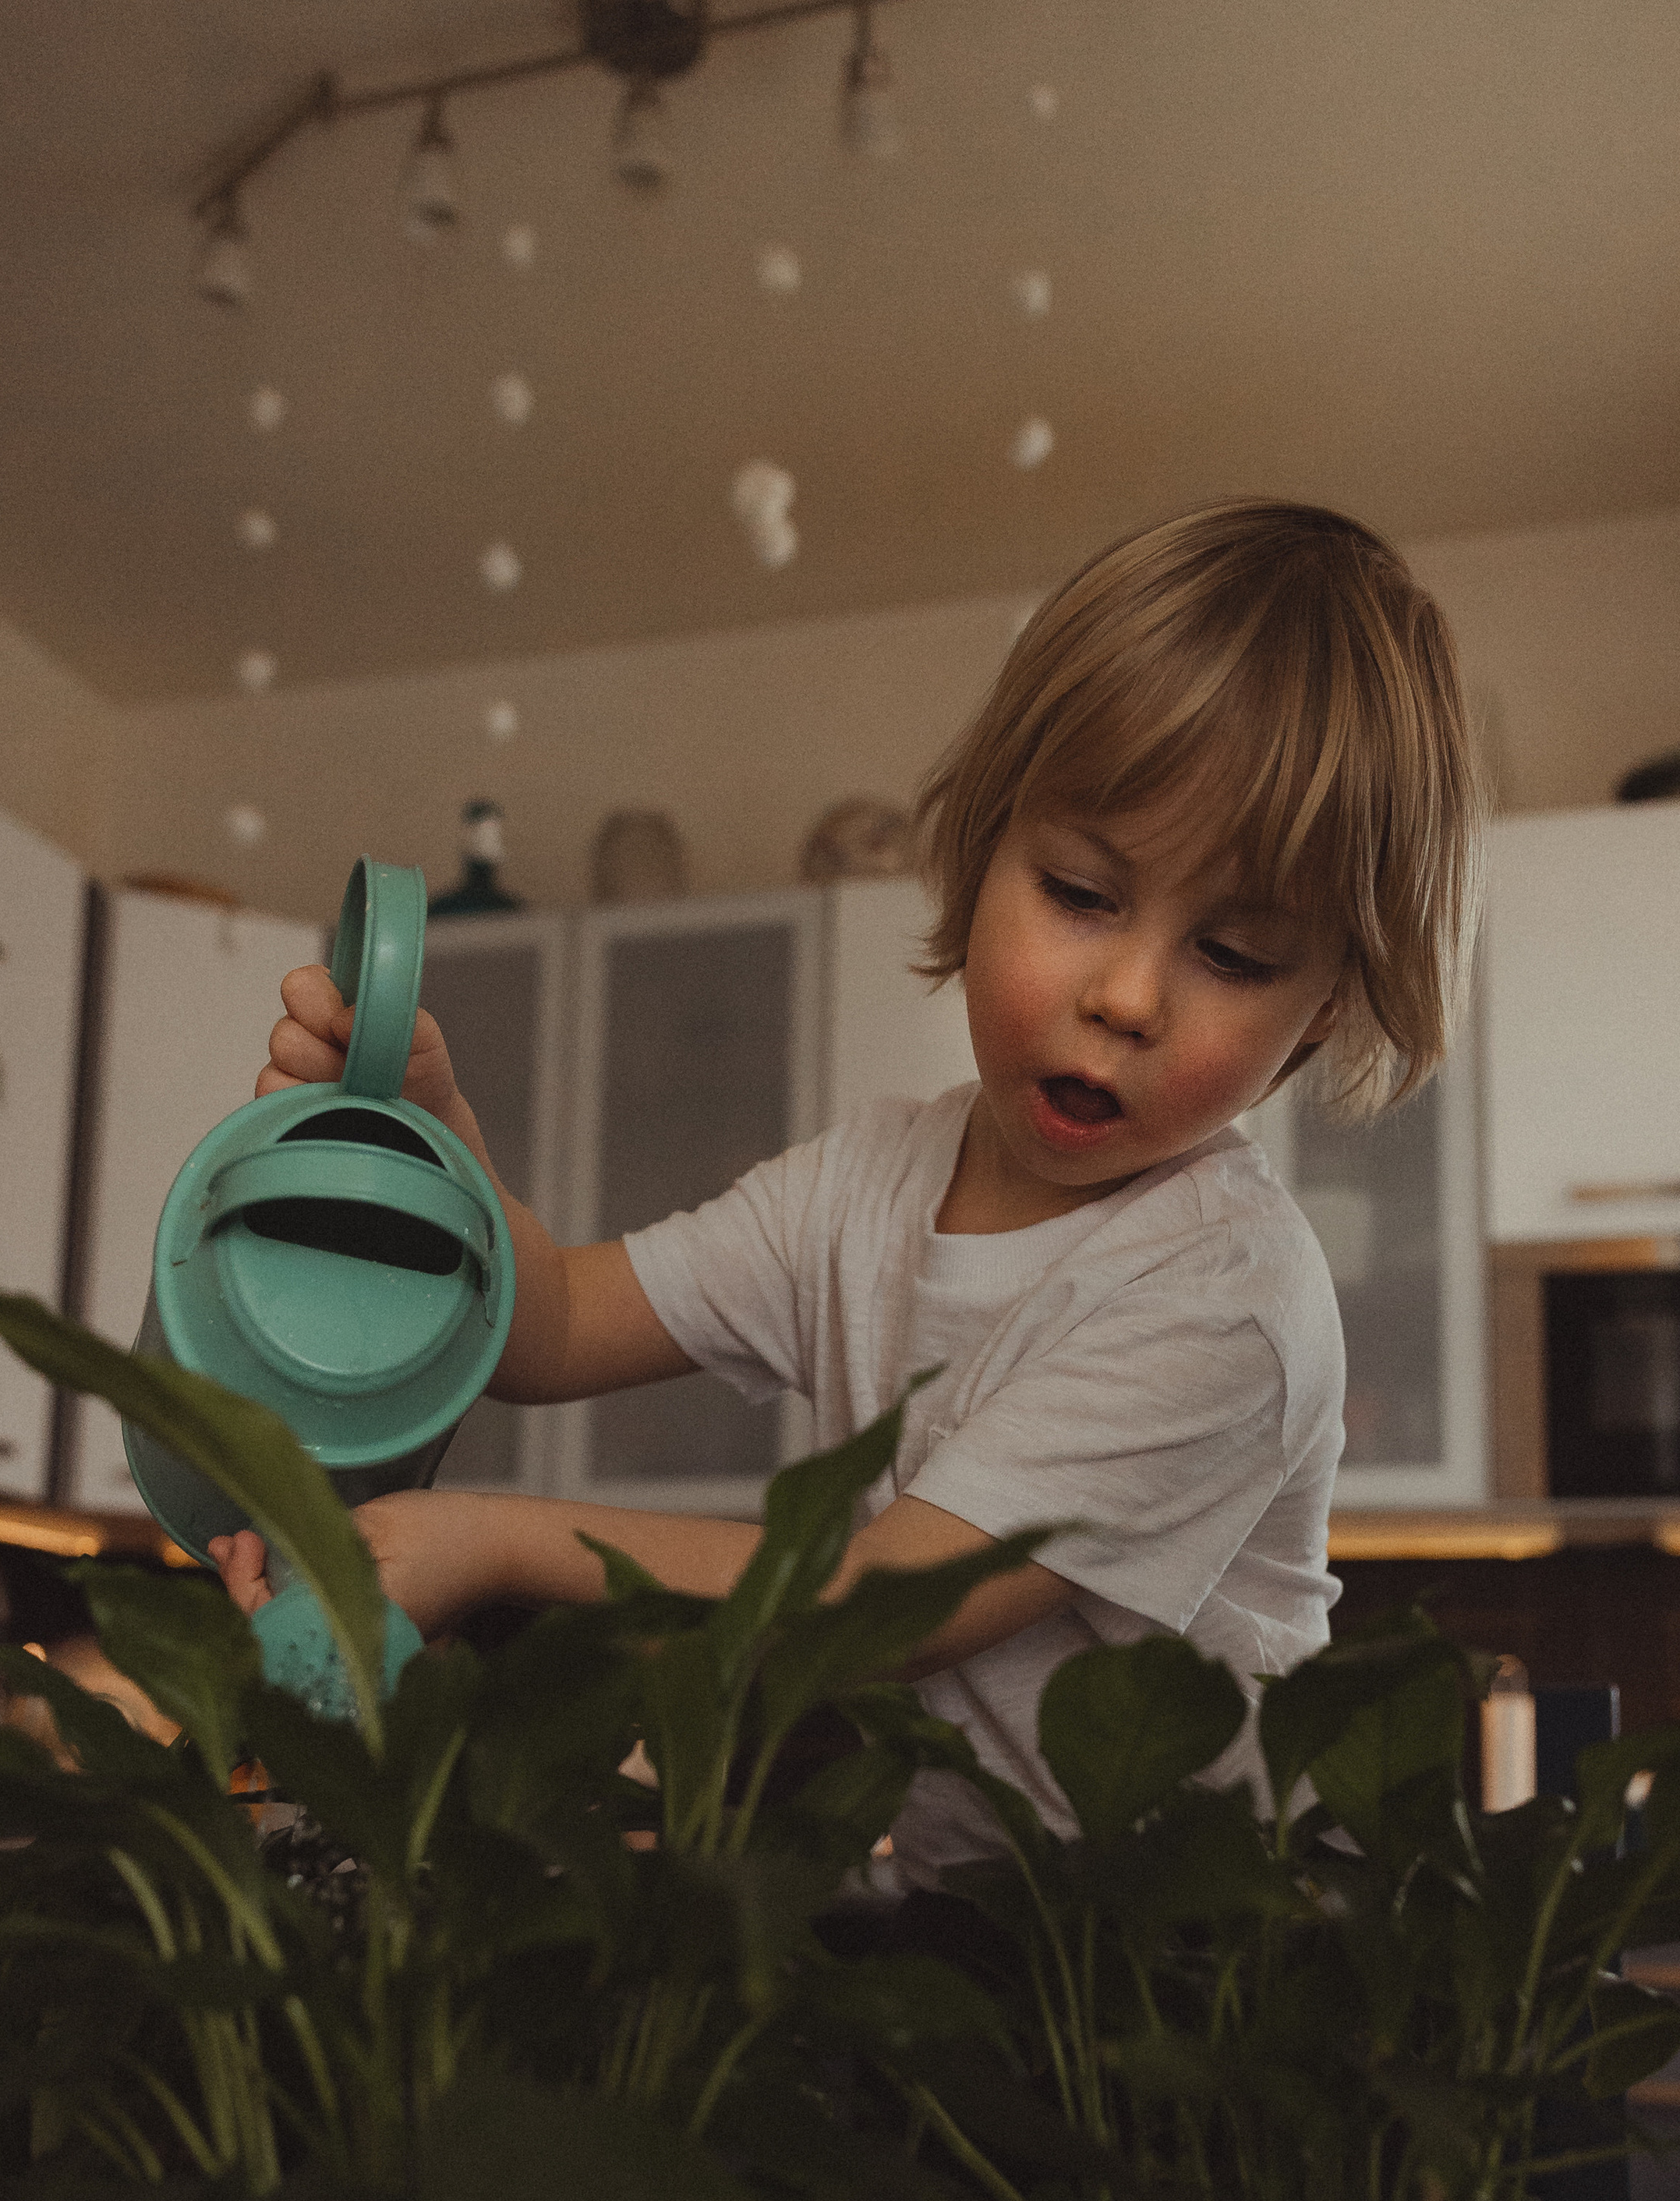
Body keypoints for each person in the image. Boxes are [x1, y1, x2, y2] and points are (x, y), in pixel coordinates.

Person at [216, 497, 1482, 1882]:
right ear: (984, 848)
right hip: (972, 1907)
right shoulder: (868, 1182)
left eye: (1234, 955)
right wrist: (436, 1133)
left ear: (1318, 1019)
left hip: (1192, 1950)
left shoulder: (1223, 1298)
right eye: (1079, 891)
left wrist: (490, 1540)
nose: (1127, 997)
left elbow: (882, 1608)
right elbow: (556, 1321)